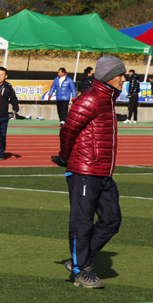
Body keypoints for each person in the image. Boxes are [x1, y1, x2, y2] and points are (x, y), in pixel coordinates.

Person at [51, 55, 127, 290]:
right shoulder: (92, 98)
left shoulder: (108, 99)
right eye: (120, 75)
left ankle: (79, 260)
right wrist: (64, 157)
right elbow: (68, 130)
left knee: (112, 219)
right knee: (82, 222)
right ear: (108, 76)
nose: (124, 79)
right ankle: (81, 270)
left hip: (103, 171)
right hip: (85, 169)